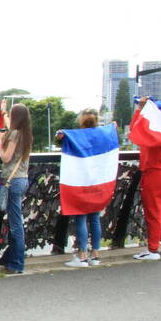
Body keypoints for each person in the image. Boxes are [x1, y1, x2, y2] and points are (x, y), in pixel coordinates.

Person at [57, 109, 104, 267]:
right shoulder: (102, 135)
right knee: (95, 219)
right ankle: (95, 255)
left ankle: (82, 255)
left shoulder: (76, 136)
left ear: (81, 121)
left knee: (81, 218)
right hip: (97, 182)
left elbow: (62, 139)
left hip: (80, 182)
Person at [0, 103, 32, 275]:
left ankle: (17, 263)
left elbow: (6, 157)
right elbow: (9, 123)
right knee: (14, 221)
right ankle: (9, 257)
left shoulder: (15, 134)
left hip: (13, 181)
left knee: (16, 224)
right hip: (22, 179)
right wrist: (3, 110)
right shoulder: (26, 133)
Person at [130, 96, 161, 260]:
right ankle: (158, 245)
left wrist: (140, 109)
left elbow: (135, 130)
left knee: (153, 212)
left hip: (154, 172)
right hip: (160, 171)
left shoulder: (153, 132)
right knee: (160, 211)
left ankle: (153, 250)